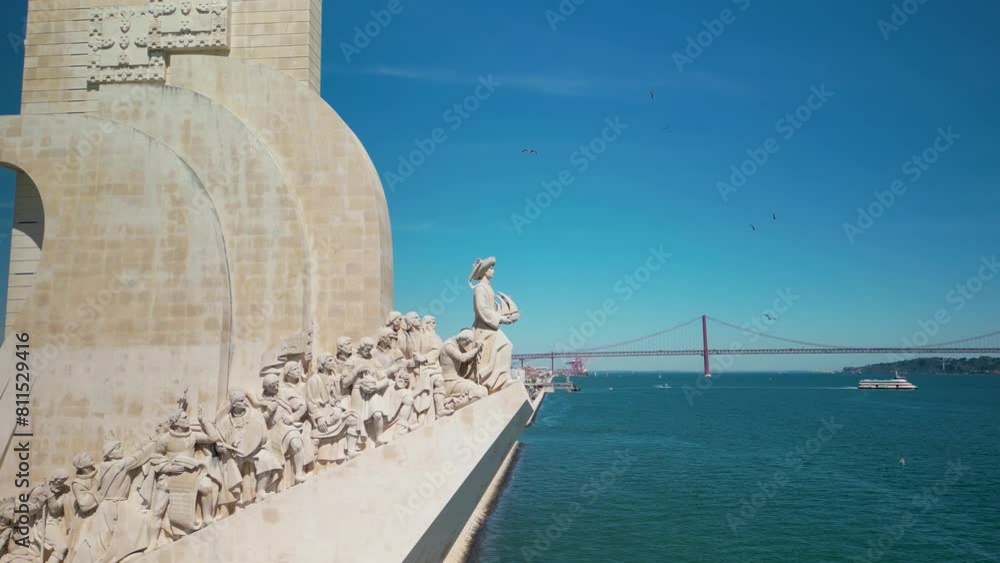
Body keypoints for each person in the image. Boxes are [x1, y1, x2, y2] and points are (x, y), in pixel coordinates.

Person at [469, 256, 518, 393]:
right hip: (483, 328)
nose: (493, 271)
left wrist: (504, 315)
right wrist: (500, 319)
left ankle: (502, 379)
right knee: (505, 344)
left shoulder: (488, 288)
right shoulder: (480, 289)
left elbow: (490, 309)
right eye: (491, 268)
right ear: (484, 271)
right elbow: (482, 310)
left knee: (507, 345)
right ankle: (494, 380)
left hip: (490, 326)